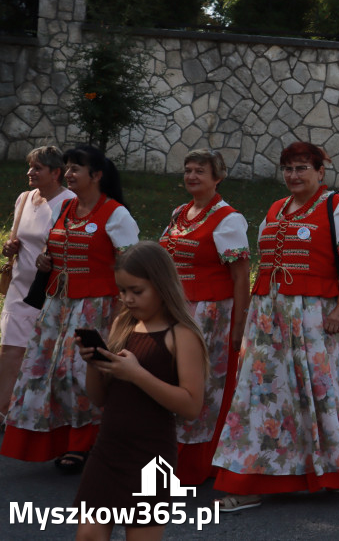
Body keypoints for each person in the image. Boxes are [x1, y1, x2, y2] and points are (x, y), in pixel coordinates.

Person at [212, 142, 339, 511]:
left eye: (301, 168)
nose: (294, 176)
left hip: (316, 319)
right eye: (288, 169)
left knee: (320, 394)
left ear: (320, 173)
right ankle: (253, 480)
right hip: (269, 319)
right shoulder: (276, 209)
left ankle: (335, 469)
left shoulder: (337, 207)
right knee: (261, 395)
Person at [1, 145, 139, 471]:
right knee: (46, 371)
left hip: (96, 305)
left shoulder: (115, 213)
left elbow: (133, 263)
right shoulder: (67, 209)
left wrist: (128, 309)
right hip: (58, 304)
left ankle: (86, 442)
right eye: (69, 167)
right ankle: (63, 439)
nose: (70, 173)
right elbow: (57, 246)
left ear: (97, 175)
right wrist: (46, 260)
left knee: (77, 373)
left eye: (77, 168)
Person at [74, 242, 207, 541]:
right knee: (88, 536)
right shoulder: (124, 324)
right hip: (109, 447)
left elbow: (190, 406)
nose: (128, 299)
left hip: (151, 455)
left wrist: (137, 375)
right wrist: (93, 364)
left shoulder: (181, 334)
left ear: (161, 286)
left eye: (137, 291)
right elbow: (100, 399)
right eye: (122, 291)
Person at [158, 149, 250, 484]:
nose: (192, 176)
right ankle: (165, 458)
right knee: (169, 381)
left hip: (210, 316)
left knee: (201, 387)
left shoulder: (228, 219)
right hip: (175, 311)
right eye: (188, 170)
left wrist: (239, 326)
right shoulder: (180, 213)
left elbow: (241, 276)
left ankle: (198, 463)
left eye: (200, 171)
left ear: (217, 177)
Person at [1, 146, 75, 425]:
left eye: (37, 168)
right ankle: (3, 409)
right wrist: (10, 246)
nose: (30, 172)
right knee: (9, 347)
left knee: (42, 353)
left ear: (55, 173)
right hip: (20, 286)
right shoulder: (24, 198)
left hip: (49, 291)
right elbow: (17, 238)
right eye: (30, 166)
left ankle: (36, 412)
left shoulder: (70, 202)